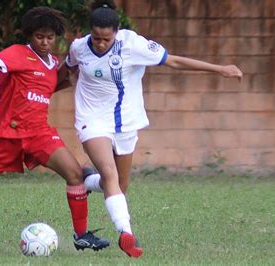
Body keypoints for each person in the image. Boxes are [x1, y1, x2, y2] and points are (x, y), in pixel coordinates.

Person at [61, 0, 243, 258]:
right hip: (91, 119)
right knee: (110, 173)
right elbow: (66, 69)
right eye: (97, 38)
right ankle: (126, 233)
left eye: (106, 39)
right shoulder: (79, 47)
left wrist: (220, 69)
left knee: (119, 186)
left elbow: (174, 61)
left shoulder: (133, 44)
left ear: (116, 32)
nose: (100, 43)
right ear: (90, 31)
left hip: (126, 122)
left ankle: (88, 180)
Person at [0, 6, 109, 254]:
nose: (46, 42)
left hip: (39, 133)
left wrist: (72, 80)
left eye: (50, 38)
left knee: (74, 174)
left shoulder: (51, 63)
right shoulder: (17, 53)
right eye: (40, 37)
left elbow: (44, 89)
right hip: (4, 136)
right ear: (30, 35)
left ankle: (81, 235)